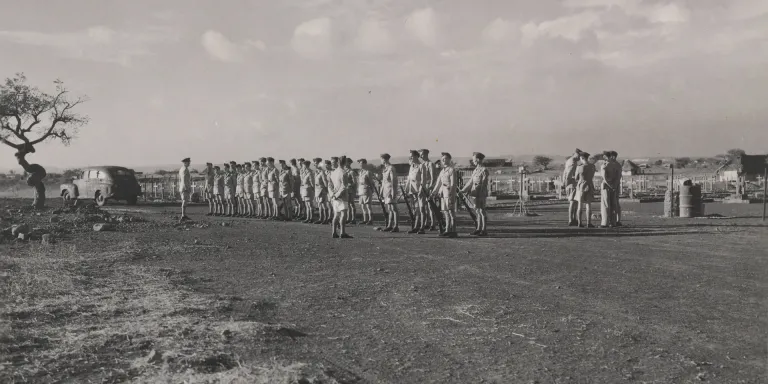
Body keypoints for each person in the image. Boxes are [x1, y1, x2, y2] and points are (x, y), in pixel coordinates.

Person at [461, 152, 490, 236]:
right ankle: (478, 228)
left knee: (481, 211)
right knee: (477, 211)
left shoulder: (484, 170)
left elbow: (484, 184)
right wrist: (463, 190)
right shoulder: (475, 170)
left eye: (474, 159)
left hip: (481, 193)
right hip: (475, 193)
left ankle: (484, 230)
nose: (473, 161)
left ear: (477, 159)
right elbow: (471, 182)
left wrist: (479, 193)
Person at [430, 152, 458, 237]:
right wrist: (433, 193)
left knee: (451, 212)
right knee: (445, 212)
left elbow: (453, 184)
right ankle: (447, 230)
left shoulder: (451, 170)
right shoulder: (442, 171)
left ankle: (453, 231)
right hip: (443, 194)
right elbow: (438, 184)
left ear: (449, 159)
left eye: (445, 158)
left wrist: (451, 195)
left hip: (449, 193)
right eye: (442, 159)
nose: (443, 160)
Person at [329, 156, 353, 238]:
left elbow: (330, 185)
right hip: (342, 196)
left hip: (335, 196)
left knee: (336, 214)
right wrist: (337, 194)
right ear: (345, 163)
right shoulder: (343, 172)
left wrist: (332, 194)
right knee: (343, 214)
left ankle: (334, 232)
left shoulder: (333, 172)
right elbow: (344, 186)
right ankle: (342, 232)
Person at [405, 150, 426, 234]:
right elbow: (409, 178)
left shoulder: (421, 166)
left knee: (421, 209)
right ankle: (415, 227)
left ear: (417, 156)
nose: (411, 158)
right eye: (410, 156)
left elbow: (423, 180)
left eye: (412, 156)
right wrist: (406, 188)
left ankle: (422, 227)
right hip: (412, 190)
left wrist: (421, 189)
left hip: (419, 190)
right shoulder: (412, 166)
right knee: (415, 209)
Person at [378, 153, 400, 232]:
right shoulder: (385, 169)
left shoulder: (391, 168)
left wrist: (393, 192)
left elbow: (393, 181)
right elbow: (383, 182)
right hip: (386, 191)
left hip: (391, 190)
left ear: (384, 159)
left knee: (394, 208)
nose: (381, 160)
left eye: (381, 159)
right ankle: (390, 225)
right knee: (390, 208)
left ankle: (396, 226)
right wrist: (381, 192)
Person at [601, 150, 623, 227]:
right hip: (615, 186)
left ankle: (606, 222)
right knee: (614, 203)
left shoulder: (606, 165)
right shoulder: (616, 165)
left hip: (609, 186)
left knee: (607, 204)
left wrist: (611, 185)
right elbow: (618, 177)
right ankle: (614, 221)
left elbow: (605, 177)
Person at [574, 151, 596, 228]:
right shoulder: (592, 166)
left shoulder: (579, 167)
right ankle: (589, 223)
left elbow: (576, 177)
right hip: (590, 185)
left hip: (581, 186)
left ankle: (580, 223)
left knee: (580, 205)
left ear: (582, 158)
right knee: (588, 205)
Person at [419, 149, 439, 231]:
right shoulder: (422, 164)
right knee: (424, 206)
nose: (421, 156)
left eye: (422, 154)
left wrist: (430, 188)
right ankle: (426, 222)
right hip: (423, 186)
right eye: (420, 155)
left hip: (429, 186)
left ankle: (433, 224)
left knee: (431, 206)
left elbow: (433, 178)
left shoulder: (431, 164)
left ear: (427, 154)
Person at [563, 149, 582, 226]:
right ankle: (571, 219)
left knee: (575, 202)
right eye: (579, 156)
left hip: (571, 183)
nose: (579, 157)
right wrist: (566, 185)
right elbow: (568, 175)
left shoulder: (570, 161)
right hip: (572, 183)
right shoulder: (573, 163)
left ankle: (573, 219)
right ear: (576, 154)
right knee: (573, 202)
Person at [356, 159, 374, 225]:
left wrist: (372, 190)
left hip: (367, 190)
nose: (360, 165)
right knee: (362, 206)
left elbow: (371, 182)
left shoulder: (368, 172)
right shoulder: (360, 172)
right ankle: (365, 219)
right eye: (359, 164)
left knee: (368, 206)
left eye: (361, 163)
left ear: (365, 164)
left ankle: (370, 220)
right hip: (361, 190)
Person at [312, 158, 328, 224]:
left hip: (322, 190)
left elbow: (325, 182)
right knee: (319, 205)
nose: (314, 164)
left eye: (316, 163)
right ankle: (320, 218)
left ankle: (325, 219)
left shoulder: (322, 172)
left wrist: (326, 190)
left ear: (319, 164)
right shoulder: (316, 172)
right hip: (317, 190)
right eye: (314, 163)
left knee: (323, 205)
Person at [344, 157, 358, 224]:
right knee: (347, 204)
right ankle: (348, 218)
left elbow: (355, 182)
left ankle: (353, 219)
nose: (345, 164)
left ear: (349, 163)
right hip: (345, 190)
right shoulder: (344, 171)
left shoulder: (351, 172)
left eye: (346, 162)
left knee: (351, 204)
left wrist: (349, 185)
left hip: (350, 190)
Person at [178, 158, 192, 222]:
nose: (189, 163)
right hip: (185, 187)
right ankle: (183, 215)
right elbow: (184, 180)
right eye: (188, 162)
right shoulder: (185, 169)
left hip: (182, 187)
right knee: (184, 201)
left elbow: (180, 179)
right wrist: (187, 187)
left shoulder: (181, 169)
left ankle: (184, 214)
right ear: (185, 162)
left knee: (185, 200)